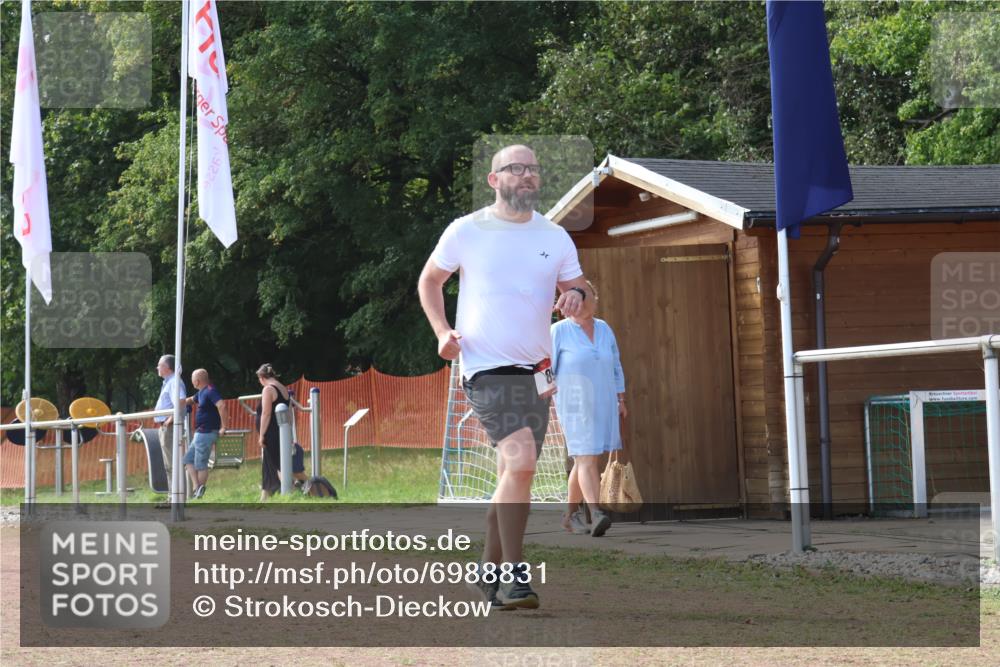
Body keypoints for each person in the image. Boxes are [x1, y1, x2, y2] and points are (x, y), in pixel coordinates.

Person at [418, 144, 589, 610]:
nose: (528, 176)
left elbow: (581, 286)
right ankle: (515, 577)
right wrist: (441, 332)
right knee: (524, 462)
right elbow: (429, 281)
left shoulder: (555, 236)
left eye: (534, 169)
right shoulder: (467, 230)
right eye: (517, 169)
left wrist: (576, 294)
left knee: (515, 474)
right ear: (494, 180)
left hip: (536, 372)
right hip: (485, 369)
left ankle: (487, 570)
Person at [551, 280, 626, 537]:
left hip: (604, 400)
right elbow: (542, 366)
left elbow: (616, 365)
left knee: (587, 458)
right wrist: (542, 395)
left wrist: (621, 399)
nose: (580, 302)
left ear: (594, 299)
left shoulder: (605, 328)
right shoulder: (558, 331)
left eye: (586, 297)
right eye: (575, 298)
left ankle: (569, 516)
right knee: (586, 457)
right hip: (573, 403)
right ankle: (597, 513)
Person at [183, 369, 228, 499]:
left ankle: (198, 493)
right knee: (187, 460)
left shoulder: (210, 391)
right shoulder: (201, 393)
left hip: (206, 432)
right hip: (200, 433)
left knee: (200, 464)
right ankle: (197, 487)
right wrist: (179, 401)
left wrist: (224, 427)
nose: (192, 381)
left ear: (197, 381)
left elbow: (222, 405)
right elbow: (191, 399)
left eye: (192, 379)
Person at [255, 363, 290, 501]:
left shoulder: (268, 389)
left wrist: (262, 434)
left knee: (276, 464)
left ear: (262, 377)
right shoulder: (283, 388)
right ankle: (265, 496)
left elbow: (266, 413)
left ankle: (289, 491)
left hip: (271, 431)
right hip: (281, 429)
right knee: (270, 464)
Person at [154, 355, 186, 492]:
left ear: (167, 367)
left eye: (159, 365)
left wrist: (169, 421)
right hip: (166, 426)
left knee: (173, 464)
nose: (157, 368)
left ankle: (176, 497)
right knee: (169, 465)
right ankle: (173, 496)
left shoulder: (174, 382)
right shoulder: (169, 382)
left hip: (170, 427)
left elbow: (181, 402)